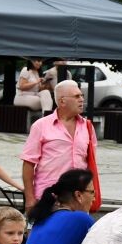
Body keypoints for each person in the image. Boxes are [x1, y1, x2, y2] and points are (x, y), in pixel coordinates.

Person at [20, 80, 94, 211]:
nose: (82, 99)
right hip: (49, 197)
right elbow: (28, 164)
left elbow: (90, 164)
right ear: (62, 101)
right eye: (77, 96)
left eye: (82, 95)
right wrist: (30, 198)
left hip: (78, 199)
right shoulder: (41, 126)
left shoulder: (87, 127)